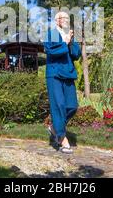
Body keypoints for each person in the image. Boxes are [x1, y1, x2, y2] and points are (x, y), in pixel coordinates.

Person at [44, 11, 81, 154]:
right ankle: (62, 139)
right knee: (58, 105)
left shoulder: (70, 35)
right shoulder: (52, 33)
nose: (66, 20)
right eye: (62, 18)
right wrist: (64, 42)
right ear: (56, 21)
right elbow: (50, 51)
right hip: (54, 74)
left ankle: (54, 127)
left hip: (68, 74)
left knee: (72, 106)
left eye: (67, 18)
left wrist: (70, 42)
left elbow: (76, 54)